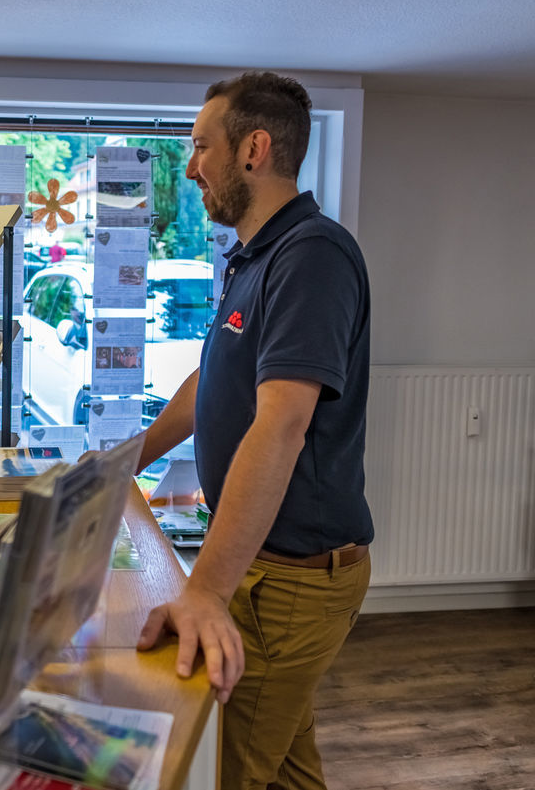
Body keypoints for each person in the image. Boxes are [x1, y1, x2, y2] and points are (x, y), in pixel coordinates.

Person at [135, 72, 373, 790]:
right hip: (265, 570)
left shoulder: (312, 254)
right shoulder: (254, 256)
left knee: (223, 772)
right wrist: (124, 460)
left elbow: (282, 425)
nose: (191, 167)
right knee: (290, 768)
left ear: (253, 149)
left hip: (289, 581)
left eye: (202, 146)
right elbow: (211, 381)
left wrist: (204, 590)